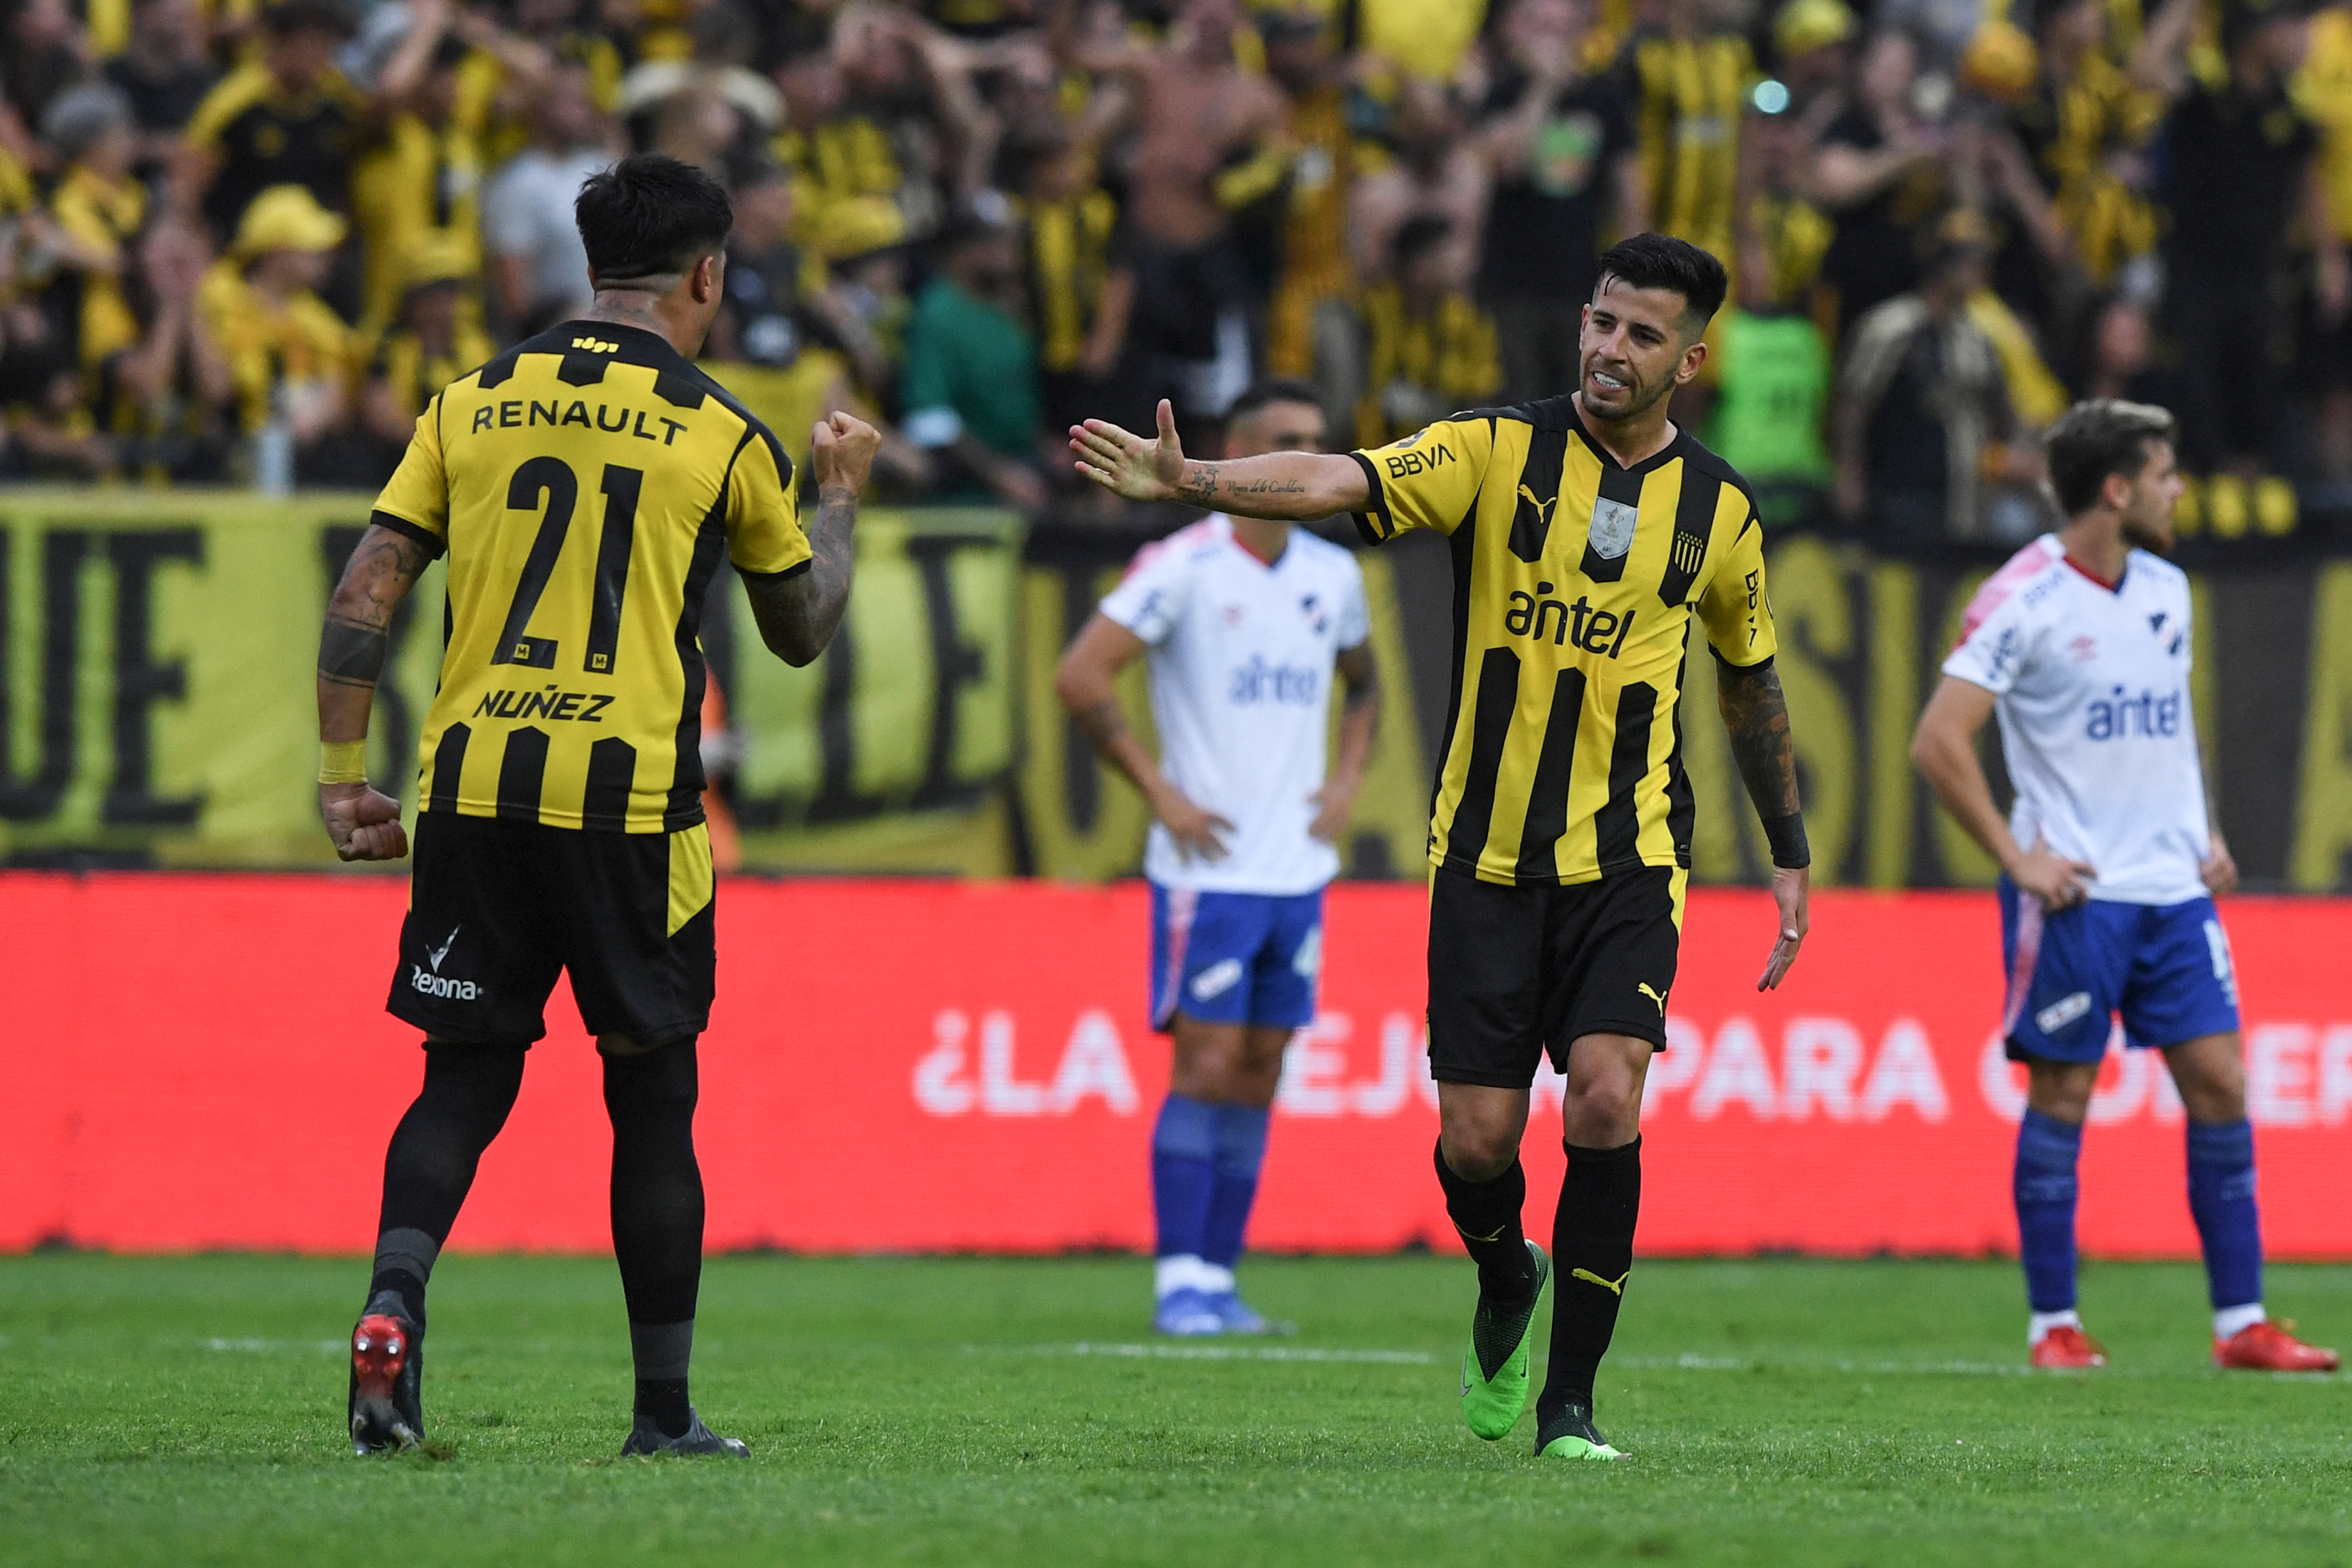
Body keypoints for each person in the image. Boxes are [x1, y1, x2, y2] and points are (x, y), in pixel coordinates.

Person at [1070, 234, 1810, 1459]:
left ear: (1690, 357)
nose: (1610, 349)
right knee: (1475, 1139)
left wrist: (1785, 846)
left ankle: (1569, 1405)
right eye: (1601, 322)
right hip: (1482, 854)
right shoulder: (1490, 450)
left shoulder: (1721, 511)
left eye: (1641, 334)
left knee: (1607, 1103)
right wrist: (1196, 479)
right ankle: (1501, 1273)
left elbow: (1748, 679)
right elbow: (1338, 479)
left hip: (1629, 855)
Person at [315, 153, 879, 1458]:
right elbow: (798, 632)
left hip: (469, 789)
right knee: (652, 1101)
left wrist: (344, 778)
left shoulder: (470, 401)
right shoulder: (724, 431)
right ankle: (661, 1413)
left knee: (459, 1076)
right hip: (631, 808)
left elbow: (364, 594)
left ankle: (394, 1302)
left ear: (589, 269)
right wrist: (837, 494)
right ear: (707, 275)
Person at [1910, 399, 2338, 1375]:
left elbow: (2164, 725)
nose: (2178, 487)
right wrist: (2017, 860)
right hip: (2073, 893)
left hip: (2170, 889)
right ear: (2116, 488)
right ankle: (2050, 1325)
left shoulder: (2165, 588)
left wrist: (2204, 829)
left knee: (2221, 1082)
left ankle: (2241, 1324)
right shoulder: (2019, 598)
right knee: (2064, 1089)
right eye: (2163, 472)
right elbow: (1936, 741)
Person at [1053, 379, 1380, 1337]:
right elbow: (1079, 676)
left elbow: (1364, 686)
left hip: (1297, 870)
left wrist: (1347, 777)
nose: (1303, 455)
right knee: (1202, 1063)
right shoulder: (1182, 563)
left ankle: (1220, 1278)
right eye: (1285, 439)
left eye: (1316, 439)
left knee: (1262, 1065)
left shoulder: (1333, 573)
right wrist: (1160, 794)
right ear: (1235, 445)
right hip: (1208, 872)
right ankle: (1179, 1282)